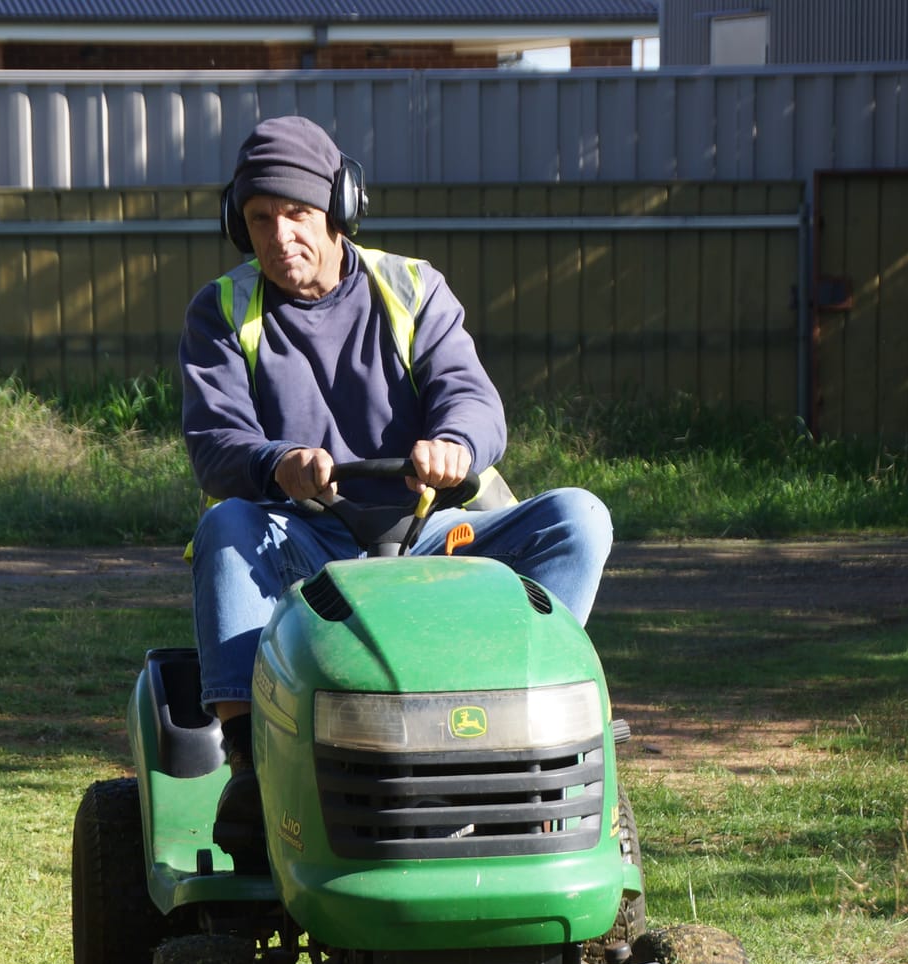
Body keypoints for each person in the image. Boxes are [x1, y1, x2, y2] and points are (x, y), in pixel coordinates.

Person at [181, 114, 613, 856]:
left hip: (437, 531)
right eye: (259, 219)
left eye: (297, 214)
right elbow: (215, 442)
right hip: (304, 540)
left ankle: (526, 728)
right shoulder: (222, 312)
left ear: (339, 208)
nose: (280, 236)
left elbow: (476, 402)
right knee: (223, 528)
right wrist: (277, 462)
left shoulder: (412, 288)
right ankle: (252, 765)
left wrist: (455, 445)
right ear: (236, 223)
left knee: (581, 519)